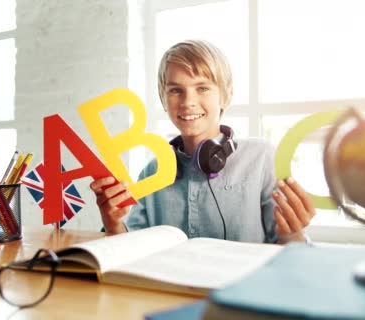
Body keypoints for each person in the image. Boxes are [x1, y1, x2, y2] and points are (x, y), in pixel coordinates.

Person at [90, 39, 315, 244]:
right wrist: (113, 224)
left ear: (226, 95)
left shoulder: (262, 158)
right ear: (163, 98)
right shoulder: (152, 172)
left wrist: (293, 232)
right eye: (176, 90)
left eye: (203, 88)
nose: (188, 102)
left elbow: (287, 251)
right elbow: (132, 250)